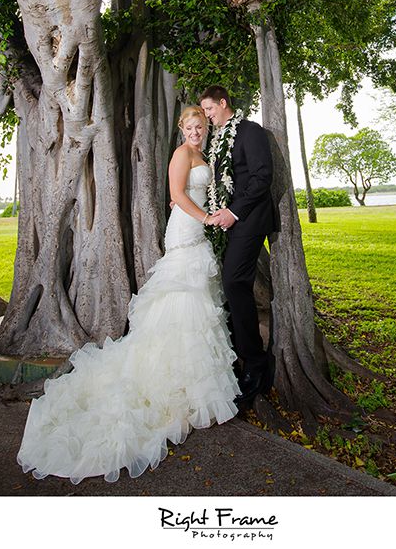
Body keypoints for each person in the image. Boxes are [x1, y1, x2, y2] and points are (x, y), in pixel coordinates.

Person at [17, 106, 239, 484]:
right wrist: (205, 218)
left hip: (199, 229)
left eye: (200, 126)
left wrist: (211, 211)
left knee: (198, 301)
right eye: (190, 127)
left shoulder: (203, 154)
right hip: (186, 230)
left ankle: (194, 378)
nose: (196, 132)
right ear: (181, 129)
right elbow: (176, 193)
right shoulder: (182, 154)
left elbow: (198, 190)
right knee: (183, 295)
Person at [199, 85, 277, 408]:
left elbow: (262, 176)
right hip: (229, 222)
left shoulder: (250, 132)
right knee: (228, 284)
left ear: (223, 102)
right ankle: (234, 358)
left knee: (234, 281)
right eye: (203, 112)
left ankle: (256, 365)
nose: (207, 116)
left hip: (249, 218)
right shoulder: (218, 140)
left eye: (209, 109)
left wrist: (233, 212)